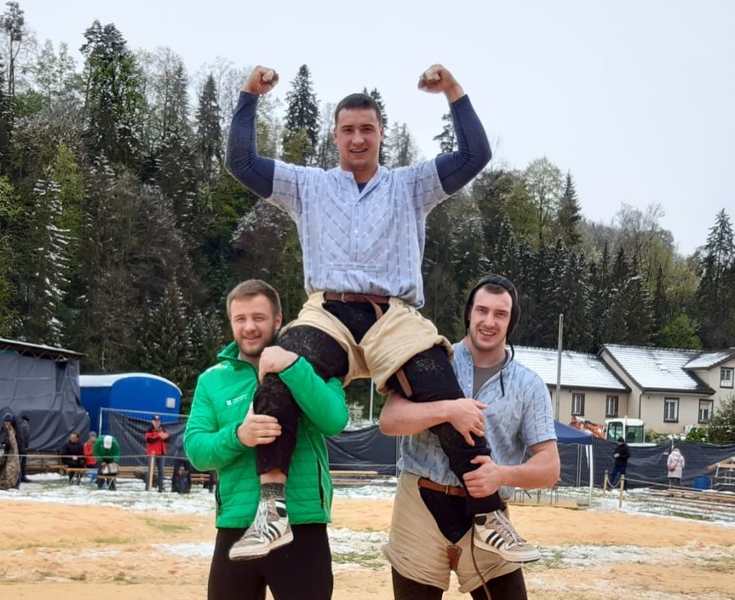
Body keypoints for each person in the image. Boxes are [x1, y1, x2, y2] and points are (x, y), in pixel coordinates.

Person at [225, 63, 526, 563]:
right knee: (278, 368)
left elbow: (476, 154)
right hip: (329, 312)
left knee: (444, 389)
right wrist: (248, 95)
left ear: (382, 133)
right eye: (348, 130)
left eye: (367, 129)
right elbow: (241, 162)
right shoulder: (308, 185)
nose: (358, 139)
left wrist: (452, 90)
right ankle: (272, 509)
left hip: (394, 315)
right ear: (335, 136)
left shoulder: (410, 185)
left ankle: (490, 515)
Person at [380, 276, 559, 598]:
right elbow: (390, 421)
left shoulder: (529, 385)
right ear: (469, 313)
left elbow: (550, 468)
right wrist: (447, 410)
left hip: (488, 516)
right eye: (482, 310)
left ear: (511, 321)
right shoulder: (432, 360)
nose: (489, 321)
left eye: (500, 314)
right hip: (419, 506)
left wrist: (500, 475)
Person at [184, 279, 348, 599]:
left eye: (258, 317)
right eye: (240, 319)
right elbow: (197, 450)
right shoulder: (212, 381)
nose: (249, 327)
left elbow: (334, 421)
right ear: (231, 322)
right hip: (236, 525)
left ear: (277, 320)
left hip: (301, 524)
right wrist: (239, 436)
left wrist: (293, 368)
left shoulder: (312, 366)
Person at [145, 415, 170, 492]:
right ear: (152, 422)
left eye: (158, 421)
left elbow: (167, 438)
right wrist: (158, 436)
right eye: (156, 421)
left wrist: (165, 437)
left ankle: (160, 487)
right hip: (152, 454)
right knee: (151, 471)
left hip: (162, 453)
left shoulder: (162, 429)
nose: (157, 422)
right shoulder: (149, 429)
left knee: (161, 471)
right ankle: (148, 487)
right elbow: (148, 440)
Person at [0, 414, 22, 490]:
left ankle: (16, 485)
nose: (5, 423)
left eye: (7, 421)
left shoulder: (15, 429)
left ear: (10, 421)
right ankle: (8, 484)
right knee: (9, 468)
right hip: (9, 451)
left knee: (17, 469)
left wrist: (16, 448)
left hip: (17, 450)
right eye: (4, 421)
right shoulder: (6, 428)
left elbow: (19, 440)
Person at [15, 412, 32, 483]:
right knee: (22, 463)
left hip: (18, 447)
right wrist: (26, 447)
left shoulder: (18, 424)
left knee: (19, 462)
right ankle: (22, 477)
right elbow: (26, 437)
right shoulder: (26, 426)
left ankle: (18, 477)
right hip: (23, 447)